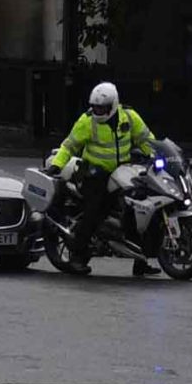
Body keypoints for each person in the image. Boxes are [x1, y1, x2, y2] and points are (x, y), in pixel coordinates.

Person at [43, 82, 161, 277]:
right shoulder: (87, 121)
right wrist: (56, 165)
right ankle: (77, 257)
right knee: (95, 209)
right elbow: (69, 146)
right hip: (94, 174)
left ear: (113, 105)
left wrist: (157, 156)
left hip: (123, 171)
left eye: (102, 107)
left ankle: (142, 261)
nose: (98, 110)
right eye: (95, 106)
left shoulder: (129, 117)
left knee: (138, 207)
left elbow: (145, 139)